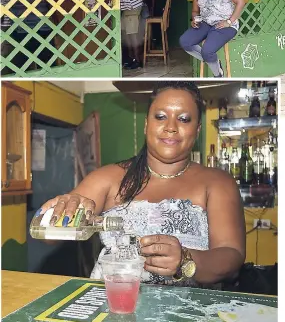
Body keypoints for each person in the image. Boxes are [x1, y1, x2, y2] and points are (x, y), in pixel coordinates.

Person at [38, 81, 246, 287]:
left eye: (184, 119)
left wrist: (186, 260)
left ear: (197, 129)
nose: (171, 127)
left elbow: (232, 256)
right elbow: (48, 236)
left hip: (188, 314)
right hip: (113, 307)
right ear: (147, 124)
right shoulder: (108, 178)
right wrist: (64, 209)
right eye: (161, 117)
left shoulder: (218, 182)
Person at [179, 0, 246, 77]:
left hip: (224, 24)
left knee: (207, 50)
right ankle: (213, 61)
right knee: (185, 41)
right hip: (205, 23)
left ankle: (218, 74)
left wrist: (229, 22)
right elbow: (195, 11)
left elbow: (241, 1)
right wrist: (194, 20)